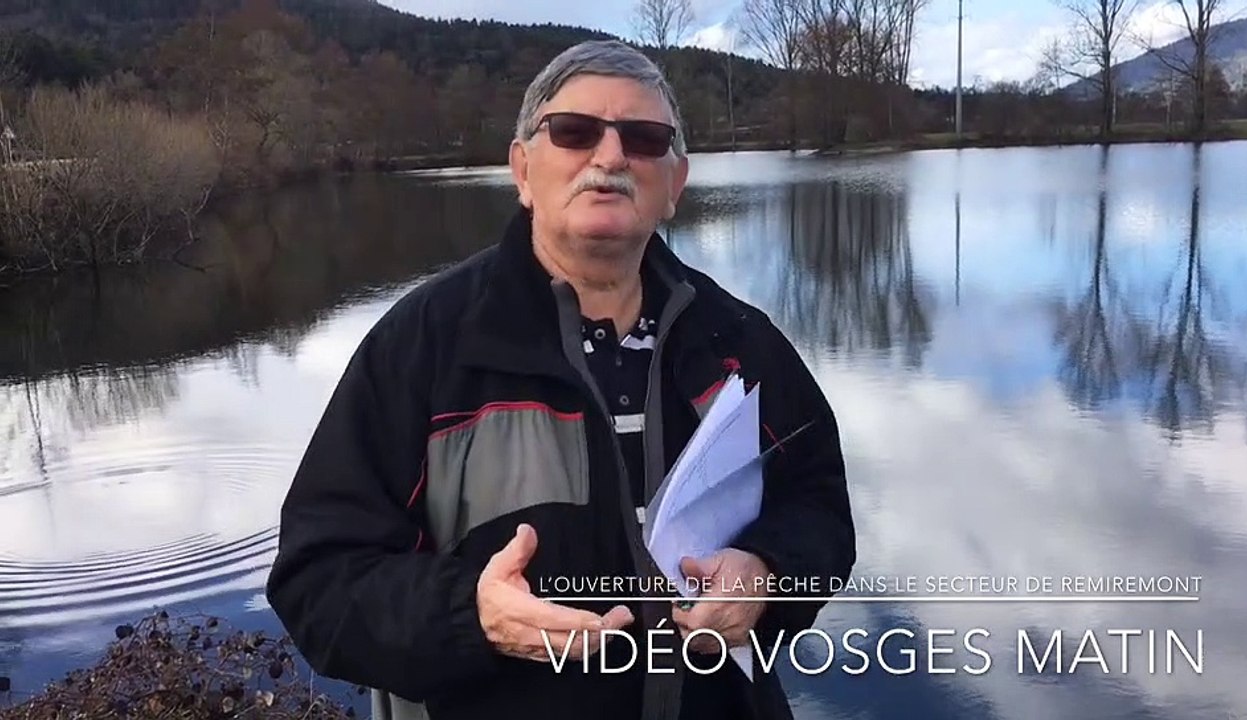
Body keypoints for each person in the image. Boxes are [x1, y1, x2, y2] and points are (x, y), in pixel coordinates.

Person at [265, 39, 855, 720]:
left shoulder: (740, 343)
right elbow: (319, 579)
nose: (609, 158)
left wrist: (767, 572)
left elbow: (818, 503)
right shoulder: (421, 348)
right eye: (574, 133)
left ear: (675, 184)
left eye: (643, 138)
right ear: (522, 170)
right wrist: (472, 615)